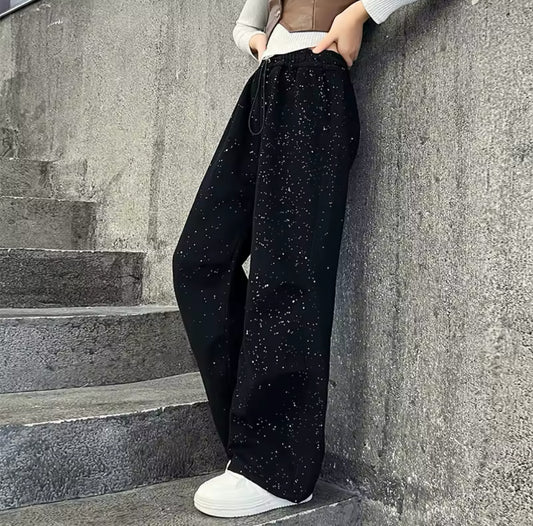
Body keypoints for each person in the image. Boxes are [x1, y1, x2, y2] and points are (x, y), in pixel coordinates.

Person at [172, 0, 418, 518]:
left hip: (316, 84)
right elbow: (246, 23)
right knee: (199, 260)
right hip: (265, 86)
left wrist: (359, 14)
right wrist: (255, 43)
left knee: (287, 274)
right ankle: (256, 443)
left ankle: (278, 471)